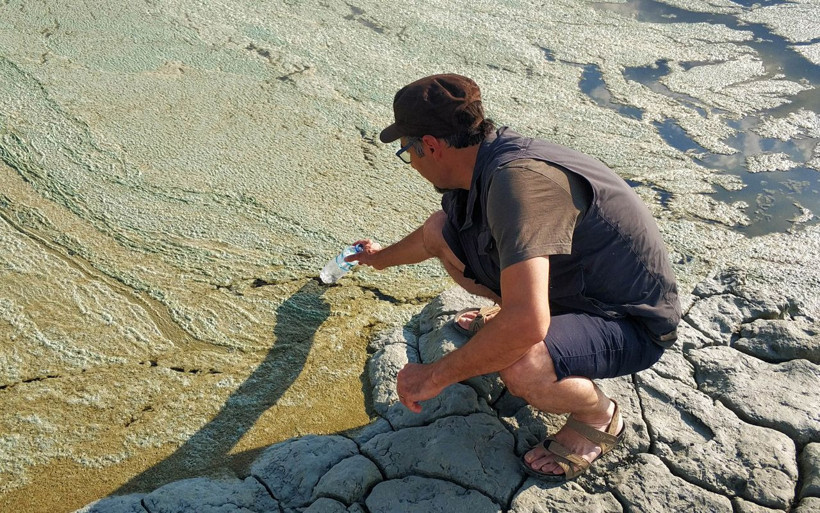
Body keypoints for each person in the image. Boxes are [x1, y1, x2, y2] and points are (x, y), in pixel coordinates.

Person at [347, 74, 680, 480]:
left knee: (521, 361)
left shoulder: (517, 181)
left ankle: (598, 417)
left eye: (407, 152)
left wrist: (431, 377)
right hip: (573, 289)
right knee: (442, 229)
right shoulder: (479, 162)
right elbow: (432, 237)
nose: (411, 163)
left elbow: (527, 325)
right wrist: (379, 259)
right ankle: (518, 313)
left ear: (431, 146)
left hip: (627, 321)